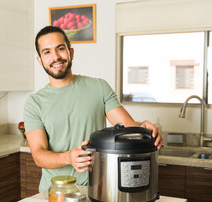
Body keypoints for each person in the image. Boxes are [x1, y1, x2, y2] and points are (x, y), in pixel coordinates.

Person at [24, 26, 163, 192]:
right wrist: (68, 157)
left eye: (60, 49)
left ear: (71, 52)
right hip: (55, 192)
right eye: (47, 52)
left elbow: (127, 125)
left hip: (96, 189)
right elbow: (38, 155)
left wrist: (143, 127)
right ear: (40, 60)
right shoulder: (34, 103)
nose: (55, 57)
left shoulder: (98, 87)